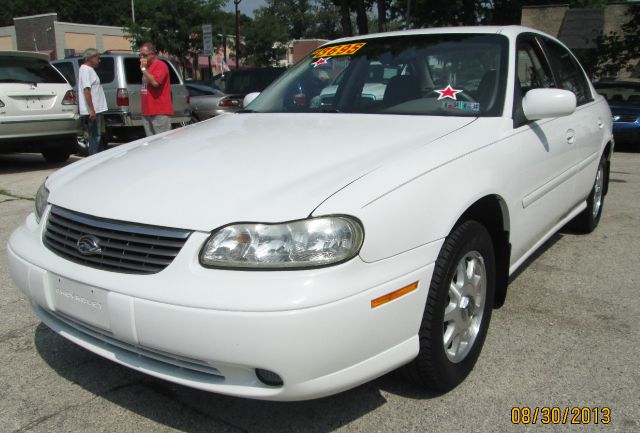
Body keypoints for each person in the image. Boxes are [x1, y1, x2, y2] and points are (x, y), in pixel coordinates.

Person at [139, 42, 174, 136]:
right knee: (151, 143)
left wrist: (143, 69)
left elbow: (155, 83)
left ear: (153, 54)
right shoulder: (147, 67)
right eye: (140, 55)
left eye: (144, 55)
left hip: (159, 111)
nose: (142, 57)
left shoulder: (160, 65)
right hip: (147, 111)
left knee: (162, 141)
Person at [78, 48, 107, 155]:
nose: (99, 61)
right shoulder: (85, 70)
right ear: (91, 58)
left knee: (98, 136)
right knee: (95, 137)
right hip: (94, 110)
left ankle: (101, 158)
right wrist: (92, 110)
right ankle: (94, 159)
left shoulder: (89, 70)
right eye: (98, 58)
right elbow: (86, 90)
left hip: (98, 109)